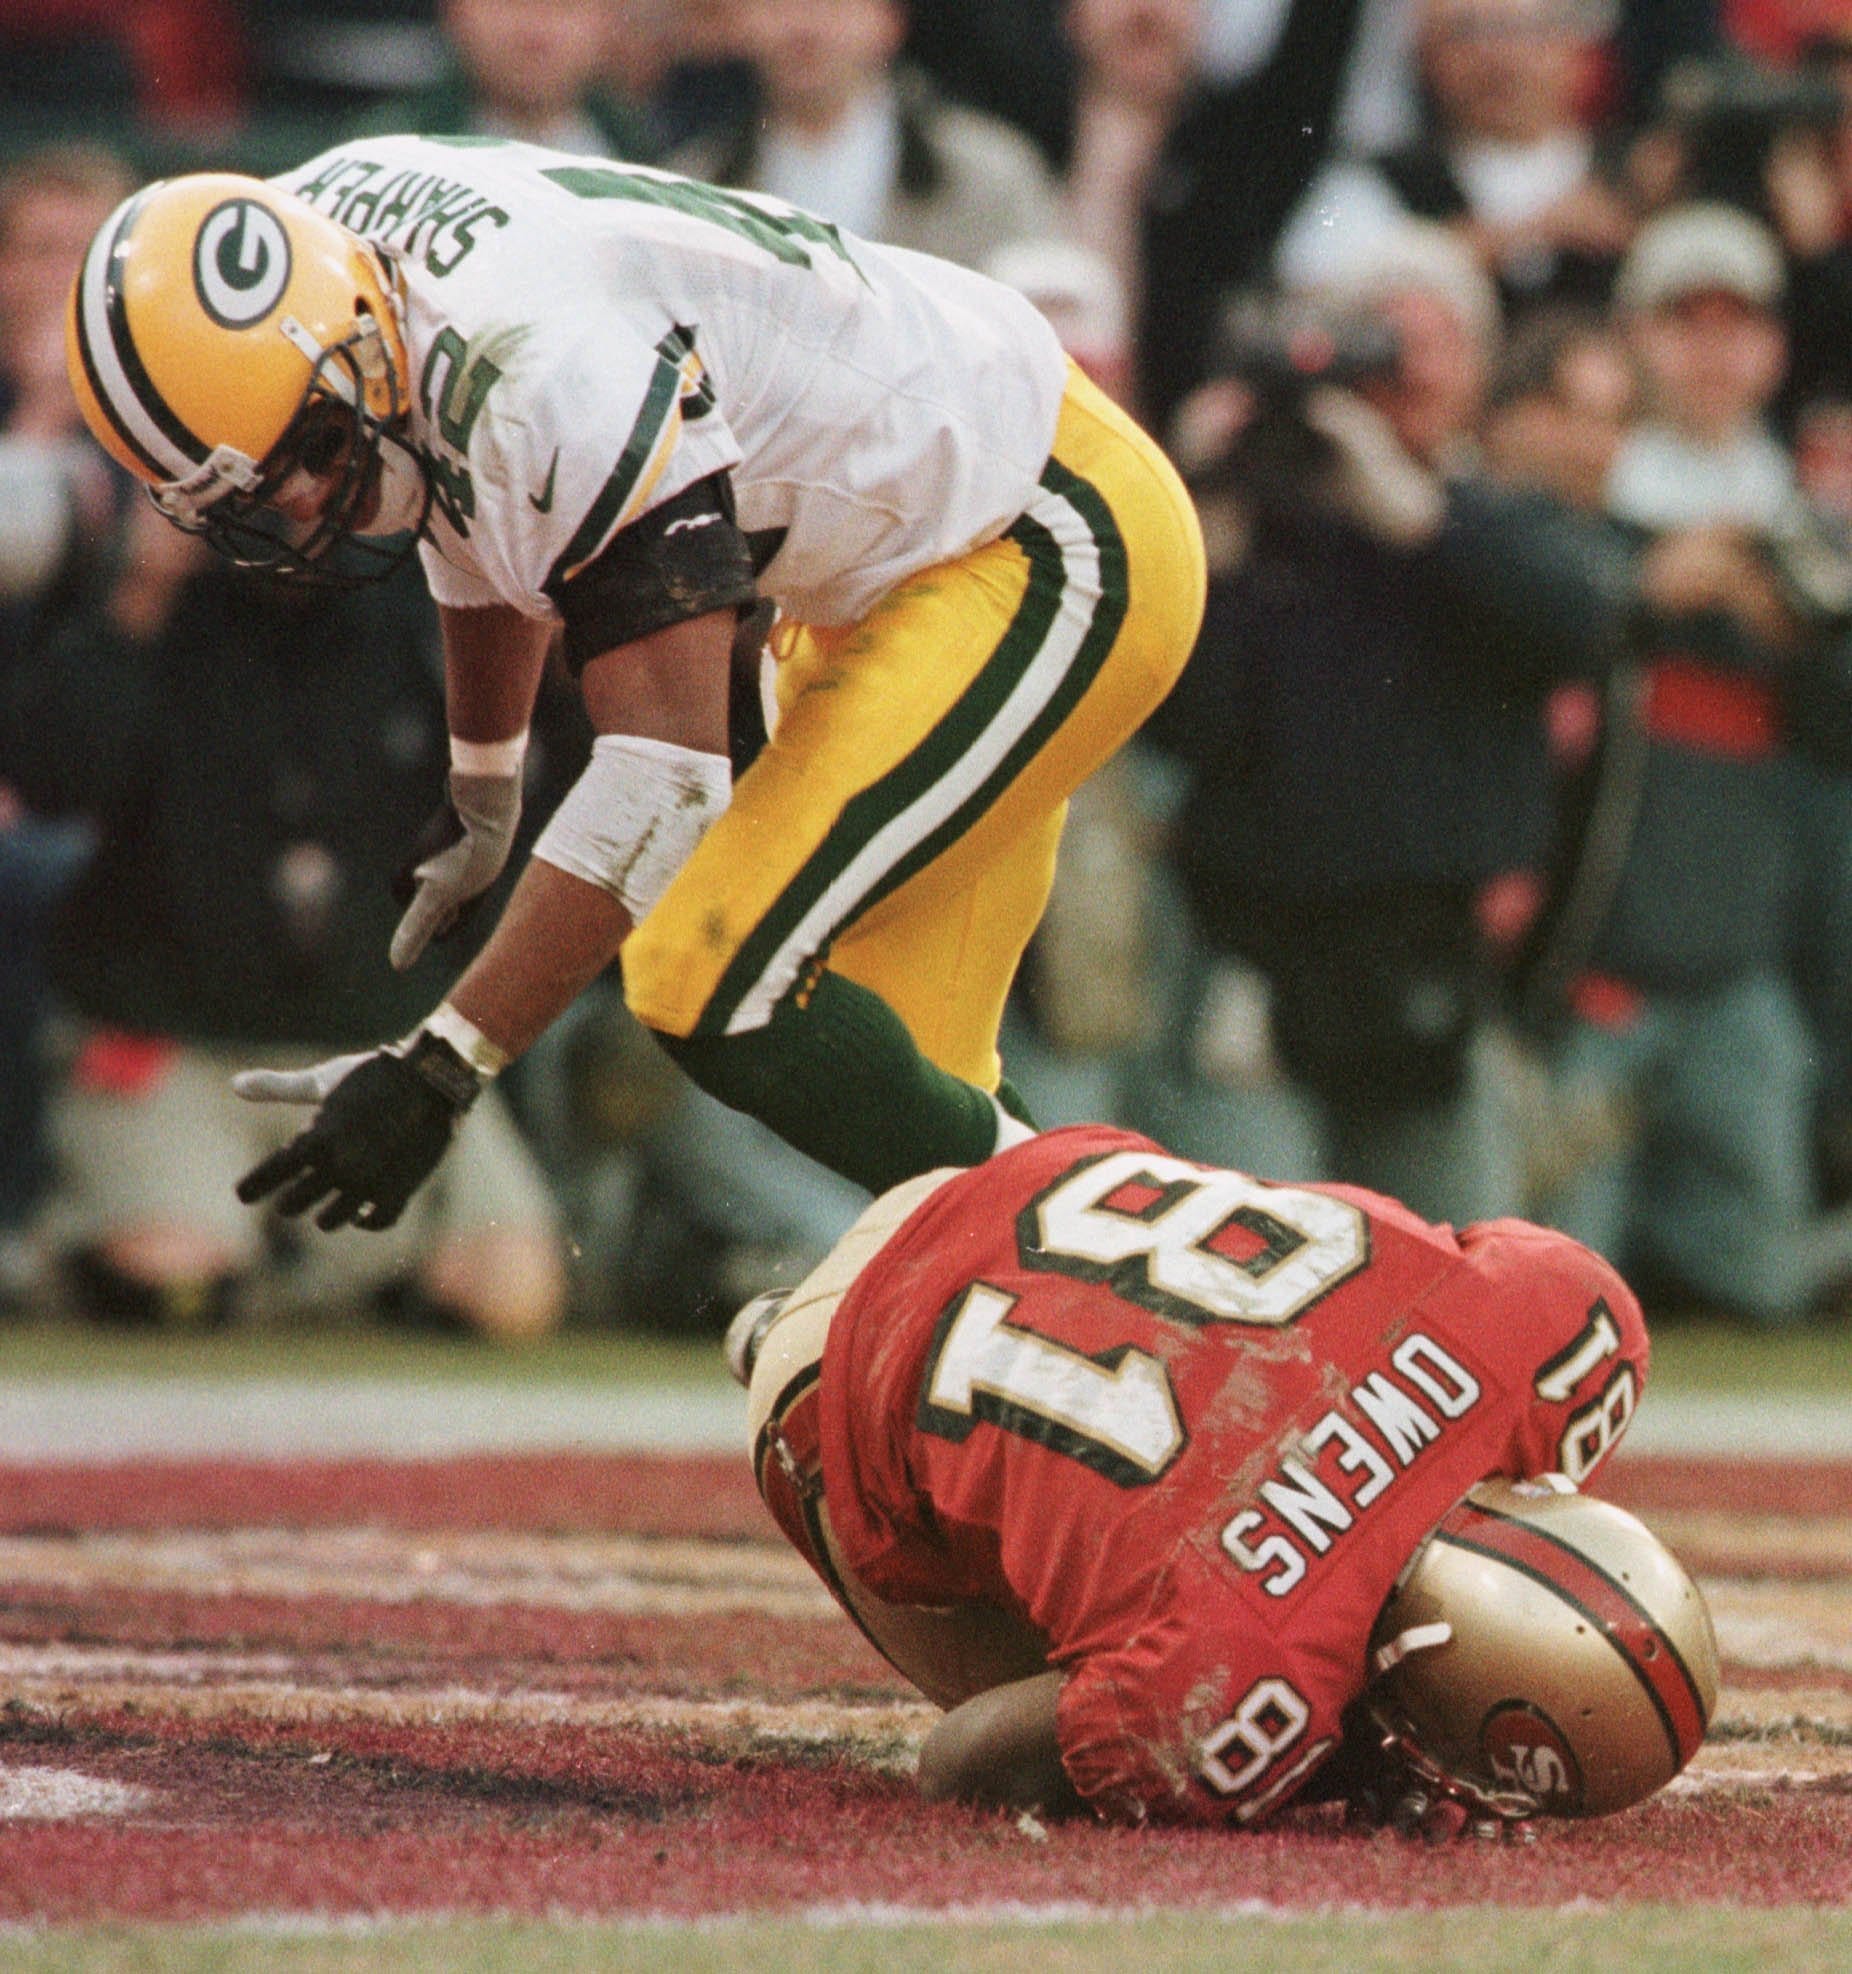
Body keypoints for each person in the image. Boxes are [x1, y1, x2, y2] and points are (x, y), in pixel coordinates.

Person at [64, 137, 1206, 1240]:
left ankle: (1154, 1260)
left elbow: (665, 780)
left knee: (712, 974)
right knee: (909, 1117)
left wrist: (443, 1064)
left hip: (1034, 534)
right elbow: (487, 523)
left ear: (347, 332)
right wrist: (485, 783)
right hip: (889, 568)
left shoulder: (544, 368)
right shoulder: (330, 250)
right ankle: (1092, 1286)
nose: (306, 503)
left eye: (311, 448)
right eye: (258, 497)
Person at [728, 1121, 1718, 1827]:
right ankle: (771, 1331)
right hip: (838, 1369)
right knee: (1068, 1704)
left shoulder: (1568, 1326)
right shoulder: (1234, 1685)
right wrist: (1339, 1762)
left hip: (1022, 1175)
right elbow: (953, 1766)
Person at [1137, 223, 1627, 1228]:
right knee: (1254, 1267)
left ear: (1477, 367)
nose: (1401, 370)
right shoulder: (1265, 522)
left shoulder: (1498, 517)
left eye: (1428, 341)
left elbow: (1572, 630)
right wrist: (1197, 518)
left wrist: (1410, 511)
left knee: (1448, 1267)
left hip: (1425, 962)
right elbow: (1178, 725)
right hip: (1259, 956)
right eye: (1378, 340)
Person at [0, 498, 575, 1342]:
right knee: (171, 1278)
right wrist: (137, 603)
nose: (289, 509)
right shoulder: (142, 612)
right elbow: (52, 779)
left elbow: (536, 793)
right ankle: (84, 1259)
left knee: (513, 1291)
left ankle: (336, 1299)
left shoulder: (424, 620)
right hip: (177, 1042)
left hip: (374, 1047)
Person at [666, 0, 1064, 271]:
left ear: (889, 19)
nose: (804, 27)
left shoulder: (990, 177)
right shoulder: (690, 192)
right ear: (740, 19)